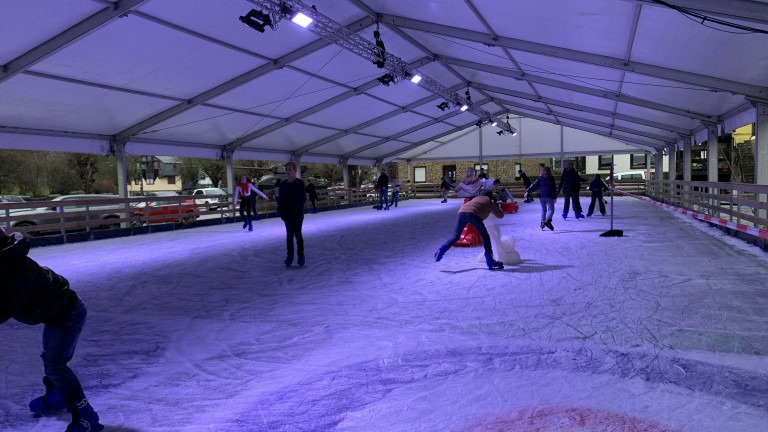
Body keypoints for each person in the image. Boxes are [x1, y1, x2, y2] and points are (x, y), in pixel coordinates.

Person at [0, 226, 103, 432]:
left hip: (67, 314)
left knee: (55, 365)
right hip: (54, 312)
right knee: (51, 360)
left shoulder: (14, 270)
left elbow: (5, 307)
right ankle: (57, 396)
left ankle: (87, 416)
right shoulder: (5, 261)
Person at [433, 195, 505, 270]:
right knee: (485, 236)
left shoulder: (476, 198)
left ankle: (441, 250)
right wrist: (493, 208)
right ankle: (490, 260)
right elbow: (500, 215)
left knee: (456, 236)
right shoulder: (488, 201)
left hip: (461, 213)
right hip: (473, 215)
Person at [278, 161, 306, 267]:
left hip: (297, 214)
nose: (287, 171)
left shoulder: (299, 183)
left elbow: (302, 198)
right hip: (287, 215)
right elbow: (280, 199)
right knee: (289, 236)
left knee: (297, 234)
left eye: (290, 169)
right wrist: (280, 209)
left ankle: (300, 255)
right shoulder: (283, 185)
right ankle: (289, 256)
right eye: (286, 169)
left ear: (295, 170)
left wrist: (296, 208)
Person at [524, 166, 558, 231]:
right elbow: (554, 189)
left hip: (542, 196)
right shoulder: (551, 179)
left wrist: (527, 191)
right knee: (551, 209)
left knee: (543, 209)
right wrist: (555, 197)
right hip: (549, 196)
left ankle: (542, 223)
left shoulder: (539, 179)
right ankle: (547, 220)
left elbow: (533, 186)